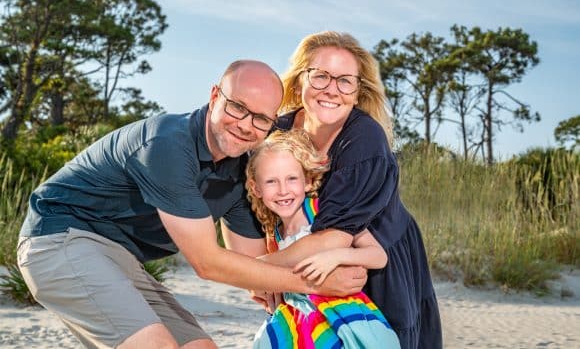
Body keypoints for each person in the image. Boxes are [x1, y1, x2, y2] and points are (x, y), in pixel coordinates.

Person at [16, 60, 367, 349]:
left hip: (122, 261)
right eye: (238, 107)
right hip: (59, 240)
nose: (246, 125)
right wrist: (316, 283)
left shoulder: (243, 172)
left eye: (261, 119)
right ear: (215, 96)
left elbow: (253, 265)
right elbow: (207, 263)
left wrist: (284, 291)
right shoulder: (167, 144)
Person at [236, 32, 443, 348]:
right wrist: (266, 269)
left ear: (358, 92)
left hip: (372, 253)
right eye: (320, 76)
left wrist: (257, 272)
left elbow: (335, 237)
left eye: (345, 81)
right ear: (299, 81)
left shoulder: (365, 142)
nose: (331, 89)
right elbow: (261, 205)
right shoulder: (276, 132)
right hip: (301, 259)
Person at [245, 129, 401, 348]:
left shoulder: (324, 213)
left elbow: (378, 256)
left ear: (307, 181)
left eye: (292, 179)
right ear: (256, 188)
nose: (283, 190)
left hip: (338, 310)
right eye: (271, 181)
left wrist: (336, 256)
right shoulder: (274, 234)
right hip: (295, 316)